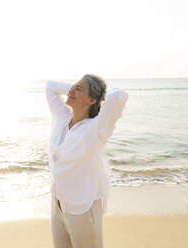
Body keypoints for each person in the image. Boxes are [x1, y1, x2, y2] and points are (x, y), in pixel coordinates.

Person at [45, 74, 129, 248]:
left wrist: (100, 97)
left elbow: (119, 96)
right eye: (72, 87)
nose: (71, 91)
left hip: (83, 208)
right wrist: (75, 88)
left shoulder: (96, 128)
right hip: (59, 205)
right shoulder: (62, 117)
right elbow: (50, 87)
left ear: (92, 100)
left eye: (78, 89)